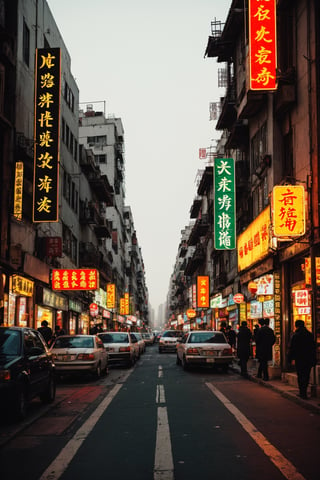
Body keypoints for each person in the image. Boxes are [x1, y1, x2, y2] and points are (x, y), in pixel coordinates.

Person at [287, 320, 317, 399]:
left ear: (296, 326)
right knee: (306, 375)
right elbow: (313, 347)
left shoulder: (296, 335)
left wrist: (289, 359)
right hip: (308, 358)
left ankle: (302, 392)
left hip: (299, 358)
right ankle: (304, 391)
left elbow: (292, 348)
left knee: (300, 375)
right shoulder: (309, 334)